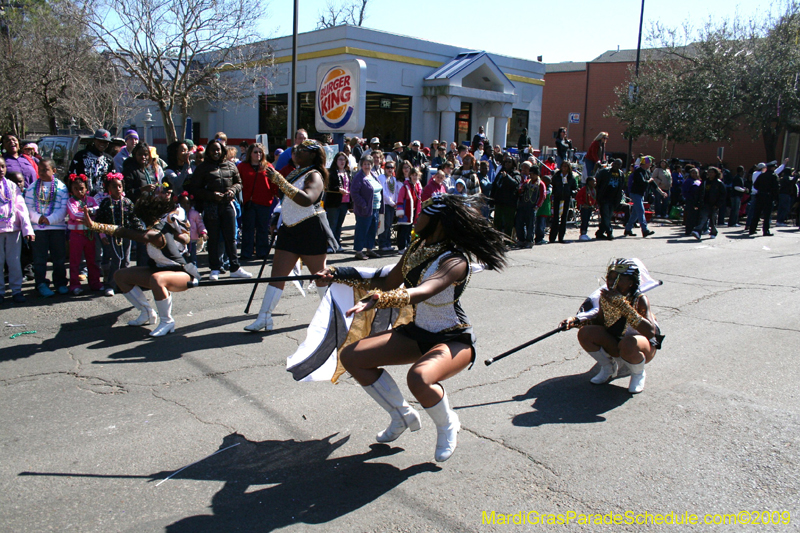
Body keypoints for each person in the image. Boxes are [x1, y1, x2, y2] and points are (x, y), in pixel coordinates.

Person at [316, 193, 508, 462]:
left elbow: (424, 290)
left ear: (438, 222)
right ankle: (401, 415)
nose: (416, 217)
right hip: (418, 332)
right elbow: (387, 282)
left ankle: (447, 424)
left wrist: (381, 300)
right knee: (352, 356)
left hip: (453, 338)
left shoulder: (455, 261)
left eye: (422, 214)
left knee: (419, 378)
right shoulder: (416, 248)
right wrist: (338, 273)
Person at [244, 139, 335, 332]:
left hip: (310, 229)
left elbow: (307, 199)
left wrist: (280, 181)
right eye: (296, 149)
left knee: (320, 276)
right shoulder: (295, 173)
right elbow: (287, 199)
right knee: (277, 274)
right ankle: (264, 317)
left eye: (302, 150)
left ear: (312, 154)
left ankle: (333, 317)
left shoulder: (315, 175)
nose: (296, 152)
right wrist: (278, 216)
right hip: (289, 229)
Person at [85, 194, 198, 336]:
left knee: (157, 279)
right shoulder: (156, 227)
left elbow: (127, 233)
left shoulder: (156, 232)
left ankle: (167, 321)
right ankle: (147, 312)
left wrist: (95, 225)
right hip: (160, 270)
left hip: (183, 274)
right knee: (120, 275)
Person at [560, 258, 663, 394]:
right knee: (585, 333)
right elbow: (600, 323)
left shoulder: (640, 299)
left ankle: (638, 373)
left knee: (628, 343)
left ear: (631, 282)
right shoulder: (605, 297)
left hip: (642, 346)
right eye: (610, 278)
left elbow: (650, 332)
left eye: (618, 279)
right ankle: (608, 368)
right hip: (617, 341)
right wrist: (576, 322)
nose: (611, 282)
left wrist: (622, 305)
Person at [190, 140, 252, 280]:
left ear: (222, 151)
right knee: (213, 238)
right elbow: (194, 188)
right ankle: (215, 268)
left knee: (231, 237)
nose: (216, 152)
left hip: (227, 204)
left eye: (218, 149)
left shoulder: (230, 165)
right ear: (208, 152)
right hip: (211, 206)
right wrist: (211, 195)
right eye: (213, 150)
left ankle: (235, 267)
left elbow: (239, 183)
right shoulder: (203, 168)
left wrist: (232, 190)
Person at [24, 159, 69, 296]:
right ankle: (41, 283)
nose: (42, 173)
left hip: (57, 228)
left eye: (45, 170)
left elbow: (64, 208)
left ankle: (60, 283)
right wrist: (38, 218)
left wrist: (50, 219)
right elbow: (28, 207)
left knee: (59, 258)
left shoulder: (61, 187)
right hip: (39, 229)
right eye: (40, 170)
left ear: (54, 171)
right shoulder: (32, 188)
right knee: (39, 259)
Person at [95, 172, 142, 297]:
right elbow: (99, 221)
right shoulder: (106, 203)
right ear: (108, 188)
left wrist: (140, 231)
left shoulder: (127, 202)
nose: (118, 189)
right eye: (114, 186)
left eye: (120, 186)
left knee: (126, 261)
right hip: (112, 236)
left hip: (126, 235)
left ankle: (124, 284)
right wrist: (102, 235)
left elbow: (134, 218)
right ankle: (110, 285)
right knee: (116, 260)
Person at [0, 158, 34, 303]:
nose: (0, 169)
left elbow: (21, 209)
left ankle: (16, 290)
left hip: (13, 229)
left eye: (2, 166)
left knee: (14, 262)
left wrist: (27, 230)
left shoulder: (12, 186)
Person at [238, 142, 278, 261]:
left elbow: (274, 183)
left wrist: (277, 195)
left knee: (263, 229)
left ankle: (262, 252)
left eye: (260, 152)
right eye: (255, 152)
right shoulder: (242, 167)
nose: (258, 154)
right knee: (248, 229)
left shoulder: (268, 167)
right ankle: (246, 252)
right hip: (248, 202)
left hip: (264, 202)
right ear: (250, 153)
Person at [65, 173, 102, 294]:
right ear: (71, 189)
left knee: (92, 260)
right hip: (76, 234)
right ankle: (74, 284)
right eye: (76, 189)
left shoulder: (91, 200)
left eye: (81, 188)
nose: (79, 191)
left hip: (90, 234)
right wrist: (89, 215)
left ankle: (95, 283)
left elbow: (97, 209)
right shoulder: (71, 201)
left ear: (86, 188)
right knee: (75, 261)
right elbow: (74, 214)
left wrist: (88, 211)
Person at [350, 154, 383, 260]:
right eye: (365, 164)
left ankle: (369, 249)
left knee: (372, 230)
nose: (367, 166)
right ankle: (359, 251)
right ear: (361, 165)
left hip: (376, 208)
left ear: (372, 165)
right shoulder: (358, 177)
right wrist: (364, 204)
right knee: (362, 230)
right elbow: (354, 193)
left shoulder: (373, 175)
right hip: (364, 210)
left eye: (369, 164)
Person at [624, 156, 663, 238]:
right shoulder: (638, 171)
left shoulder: (647, 172)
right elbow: (643, 182)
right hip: (635, 193)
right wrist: (649, 181)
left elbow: (653, 183)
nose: (651, 164)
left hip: (641, 194)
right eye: (650, 162)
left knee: (635, 213)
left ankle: (628, 229)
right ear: (645, 163)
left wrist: (661, 192)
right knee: (641, 211)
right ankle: (645, 230)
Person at [69, 129, 115, 197]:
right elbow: (71, 176)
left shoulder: (109, 159)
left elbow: (113, 180)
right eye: (100, 141)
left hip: (102, 197)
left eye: (105, 142)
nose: (102, 144)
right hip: (83, 196)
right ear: (94, 140)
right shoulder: (81, 156)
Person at [515, 163, 545, 248]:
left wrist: (537, 206)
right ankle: (521, 239)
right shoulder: (527, 182)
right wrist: (521, 190)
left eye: (532, 174)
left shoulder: (540, 184)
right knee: (519, 223)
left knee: (530, 225)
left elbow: (542, 196)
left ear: (536, 174)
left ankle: (529, 241)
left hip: (532, 206)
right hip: (523, 205)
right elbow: (520, 190)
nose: (531, 175)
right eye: (530, 174)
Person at [325, 152, 351, 253]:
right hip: (334, 203)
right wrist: (338, 189)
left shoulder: (347, 172)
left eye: (344, 159)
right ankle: (329, 245)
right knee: (332, 224)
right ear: (336, 161)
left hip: (345, 202)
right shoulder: (331, 173)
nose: (342, 161)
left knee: (339, 225)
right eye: (340, 159)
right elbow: (328, 186)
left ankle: (337, 244)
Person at [691, 167, 726, 240]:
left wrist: (718, 204)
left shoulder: (719, 183)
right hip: (705, 203)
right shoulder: (705, 182)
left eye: (712, 172)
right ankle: (697, 231)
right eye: (709, 172)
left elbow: (723, 195)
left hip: (714, 204)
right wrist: (696, 203)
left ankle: (713, 232)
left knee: (712, 220)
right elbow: (699, 192)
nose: (710, 174)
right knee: (703, 217)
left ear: (715, 173)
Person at [594, 159, 625, 240]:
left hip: (614, 199)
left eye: (618, 165)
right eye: (615, 164)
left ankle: (600, 232)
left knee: (608, 216)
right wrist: (597, 196)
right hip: (604, 198)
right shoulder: (605, 172)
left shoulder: (621, 174)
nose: (616, 166)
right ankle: (609, 232)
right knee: (606, 216)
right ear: (612, 164)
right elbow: (597, 183)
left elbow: (621, 187)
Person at [490, 156, 520, 237]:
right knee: (497, 223)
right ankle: (497, 239)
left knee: (508, 224)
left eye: (509, 162)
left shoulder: (516, 174)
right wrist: (492, 199)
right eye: (506, 162)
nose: (507, 163)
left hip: (509, 204)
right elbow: (495, 186)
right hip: (499, 202)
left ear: (513, 164)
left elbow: (515, 184)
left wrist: (507, 177)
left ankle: (508, 241)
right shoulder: (500, 173)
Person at [549, 161, 578, 243]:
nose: (564, 168)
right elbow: (553, 185)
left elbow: (575, 188)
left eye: (566, 166)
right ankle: (552, 238)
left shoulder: (571, 177)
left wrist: (571, 192)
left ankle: (561, 237)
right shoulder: (557, 176)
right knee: (555, 218)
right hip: (557, 199)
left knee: (564, 218)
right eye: (563, 166)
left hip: (566, 199)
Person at [749, 160, 780, 237]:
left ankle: (752, 229)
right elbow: (776, 188)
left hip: (760, 196)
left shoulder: (761, 175)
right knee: (767, 215)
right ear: (772, 168)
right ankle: (765, 231)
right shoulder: (774, 176)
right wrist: (775, 198)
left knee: (756, 213)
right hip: (768, 197)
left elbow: (755, 185)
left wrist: (761, 189)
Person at [395, 166, 422, 252]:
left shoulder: (417, 186)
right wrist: (400, 211)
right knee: (403, 230)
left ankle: (407, 246)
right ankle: (401, 247)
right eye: (413, 175)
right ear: (410, 176)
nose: (415, 177)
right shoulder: (405, 187)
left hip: (413, 211)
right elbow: (400, 199)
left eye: (416, 175)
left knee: (409, 230)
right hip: (405, 211)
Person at [378, 159, 399, 253]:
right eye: (388, 167)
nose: (390, 169)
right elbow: (383, 192)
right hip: (385, 204)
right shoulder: (382, 177)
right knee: (384, 225)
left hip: (392, 205)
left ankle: (388, 244)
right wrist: (391, 202)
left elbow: (396, 192)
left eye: (392, 167)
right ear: (384, 168)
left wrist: (396, 202)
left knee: (389, 225)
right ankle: (382, 244)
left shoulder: (393, 179)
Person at [576, 176, 598, 241]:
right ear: (589, 182)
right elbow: (577, 197)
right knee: (584, 220)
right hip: (584, 208)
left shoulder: (593, 190)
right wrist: (583, 204)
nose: (595, 183)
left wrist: (595, 205)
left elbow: (594, 198)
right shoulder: (584, 189)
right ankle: (582, 234)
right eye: (593, 181)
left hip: (590, 207)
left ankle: (585, 233)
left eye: (595, 181)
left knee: (587, 221)